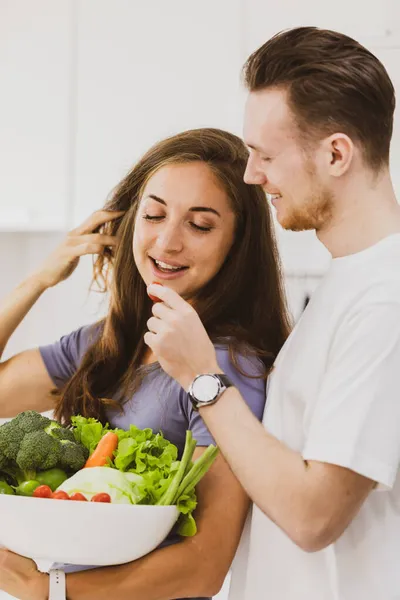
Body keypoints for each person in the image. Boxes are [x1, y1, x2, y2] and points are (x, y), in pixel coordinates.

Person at [140, 27, 400, 600]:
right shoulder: (349, 282)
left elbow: (314, 516)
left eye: (266, 154)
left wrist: (203, 379)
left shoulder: (385, 301)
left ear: (336, 154)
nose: (253, 175)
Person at [0, 128, 290, 600]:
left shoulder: (223, 370)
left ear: (237, 244)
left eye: (200, 225)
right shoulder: (109, 343)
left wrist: (50, 590)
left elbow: (204, 564)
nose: (167, 241)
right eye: (154, 215)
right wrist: (39, 280)